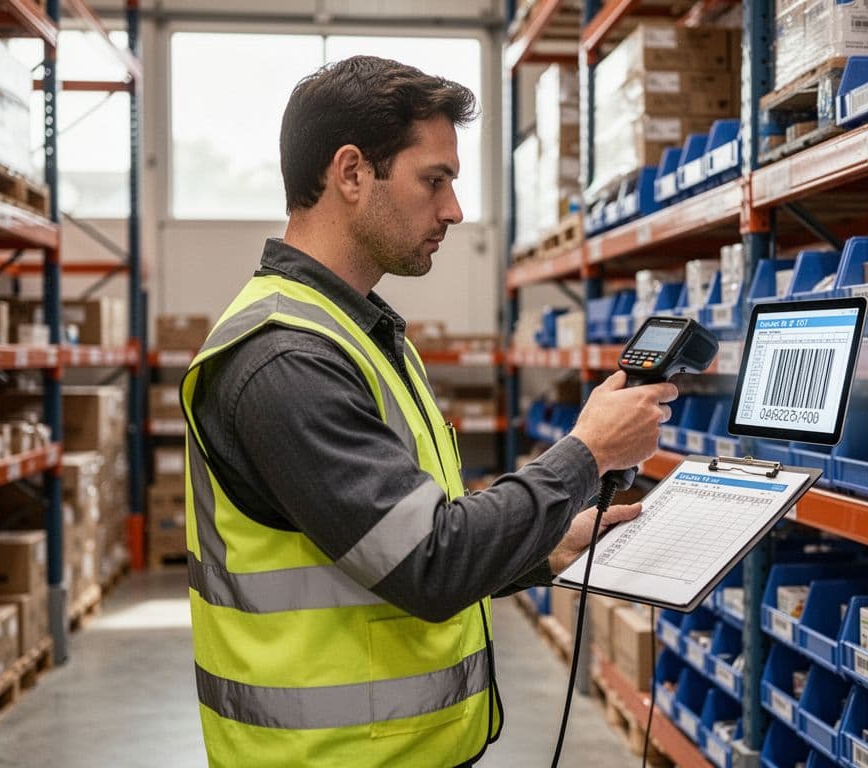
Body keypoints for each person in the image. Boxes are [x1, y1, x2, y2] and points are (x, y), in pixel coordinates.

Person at [180, 55, 678, 767]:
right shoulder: (287, 360)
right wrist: (587, 452)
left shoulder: (361, 334)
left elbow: (396, 540)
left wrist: (543, 547)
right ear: (351, 173)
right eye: (434, 180)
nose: (455, 210)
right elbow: (430, 563)